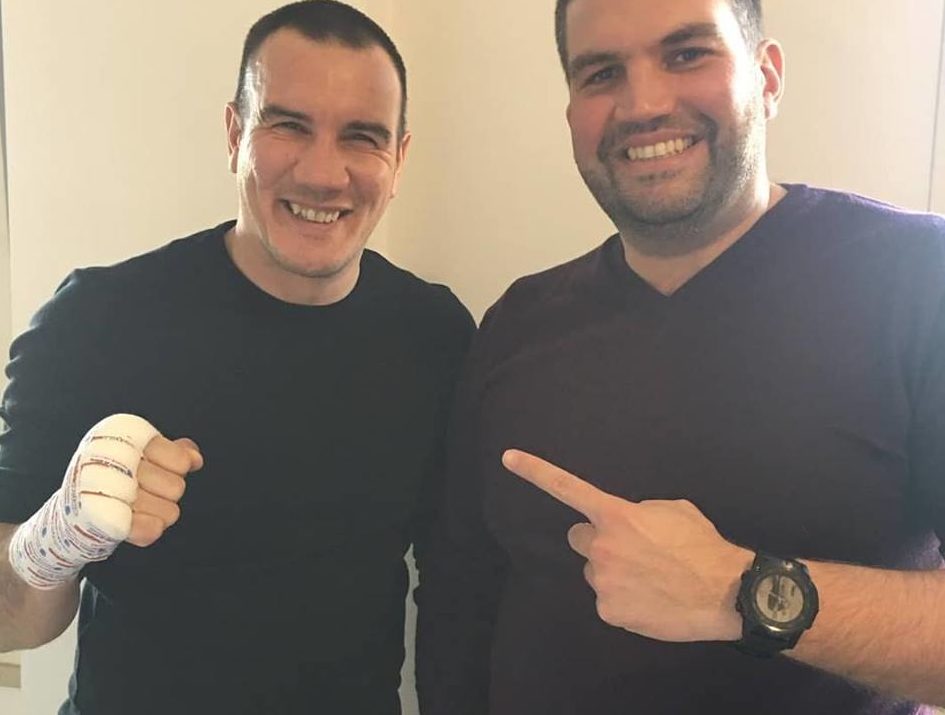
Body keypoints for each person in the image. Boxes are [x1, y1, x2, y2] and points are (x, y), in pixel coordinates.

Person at [416, 0, 945, 713]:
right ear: (571, 113)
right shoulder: (516, 323)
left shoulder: (917, 278)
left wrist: (742, 591)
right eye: (602, 73)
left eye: (686, 54)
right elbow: (461, 600)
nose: (644, 104)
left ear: (767, 77)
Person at [0, 2, 473, 713]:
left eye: (361, 136)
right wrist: (59, 533)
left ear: (398, 160)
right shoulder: (97, 320)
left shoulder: (435, 334)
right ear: (234, 134)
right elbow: (12, 622)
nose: (324, 173)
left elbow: (455, 582)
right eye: (288, 125)